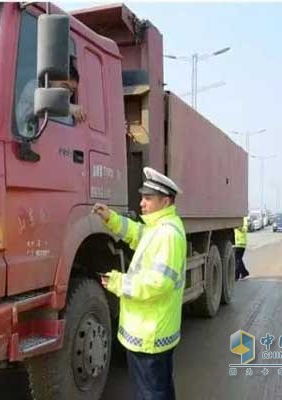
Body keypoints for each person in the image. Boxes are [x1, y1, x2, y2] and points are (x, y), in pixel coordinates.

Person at [92, 167, 186, 400]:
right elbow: (136, 233)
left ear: (165, 201)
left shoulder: (168, 234)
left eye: (147, 198)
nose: (141, 203)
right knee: (160, 388)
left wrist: (118, 282)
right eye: (142, 197)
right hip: (150, 331)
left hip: (150, 334)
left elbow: (157, 283)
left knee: (151, 393)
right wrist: (111, 218)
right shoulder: (158, 227)